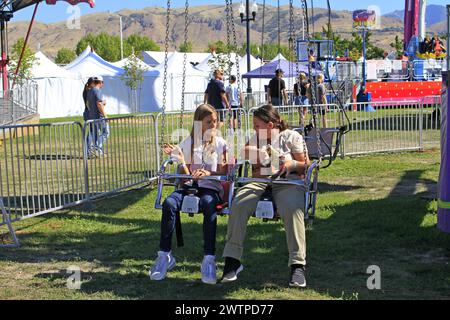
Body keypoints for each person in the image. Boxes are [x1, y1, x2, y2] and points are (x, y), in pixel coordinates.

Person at [221, 104, 309, 288]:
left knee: (292, 208)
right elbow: (244, 152)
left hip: (287, 182)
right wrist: (259, 153)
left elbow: (305, 165)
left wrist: (291, 164)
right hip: (259, 182)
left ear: (270, 125)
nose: (253, 129)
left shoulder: (292, 137)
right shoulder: (256, 138)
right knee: (239, 203)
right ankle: (232, 260)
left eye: (257, 125)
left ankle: (297, 265)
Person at [149, 104, 228, 285]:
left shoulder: (221, 144)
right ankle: (165, 255)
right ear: (199, 123)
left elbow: (225, 171)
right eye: (209, 122)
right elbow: (185, 175)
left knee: (209, 204)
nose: (213, 126)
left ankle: (208, 259)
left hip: (210, 188)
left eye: (215, 121)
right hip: (189, 187)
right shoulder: (189, 143)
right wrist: (179, 158)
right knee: (169, 203)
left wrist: (209, 173)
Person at [85, 76, 109, 157]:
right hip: (99, 116)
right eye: (102, 82)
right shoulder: (97, 90)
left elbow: (88, 104)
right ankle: (97, 148)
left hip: (92, 116)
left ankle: (95, 149)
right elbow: (99, 104)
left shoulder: (89, 91)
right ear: (100, 82)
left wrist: (92, 111)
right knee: (106, 133)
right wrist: (105, 115)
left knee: (94, 134)